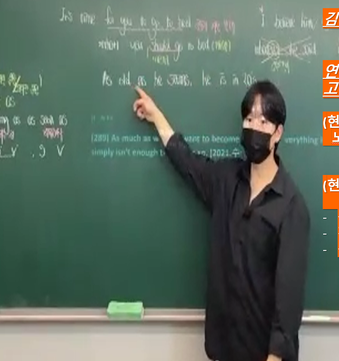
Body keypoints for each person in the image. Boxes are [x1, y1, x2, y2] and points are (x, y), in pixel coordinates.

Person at [133, 80, 311, 361]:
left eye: (263, 121)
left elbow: (288, 302)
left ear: (278, 133)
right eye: (249, 119)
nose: (254, 127)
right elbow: (187, 162)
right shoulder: (226, 180)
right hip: (223, 350)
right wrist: (156, 117)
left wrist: (275, 357)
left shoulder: (291, 207)